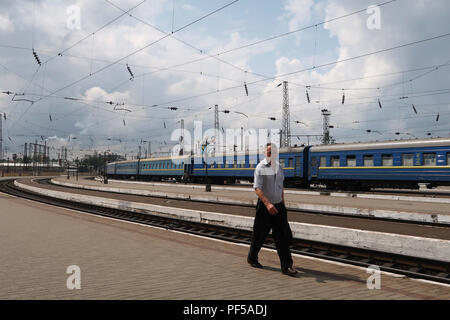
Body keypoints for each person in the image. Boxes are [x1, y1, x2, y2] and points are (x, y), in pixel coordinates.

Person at [247, 143, 297, 276]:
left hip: (279, 206)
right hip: (265, 206)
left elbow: (281, 188)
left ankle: (287, 266)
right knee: (259, 234)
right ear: (264, 153)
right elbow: (257, 188)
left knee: (282, 237)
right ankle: (252, 258)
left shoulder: (279, 168)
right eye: (269, 152)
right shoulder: (260, 167)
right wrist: (268, 204)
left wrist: (283, 205)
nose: (271, 154)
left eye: (273, 152)